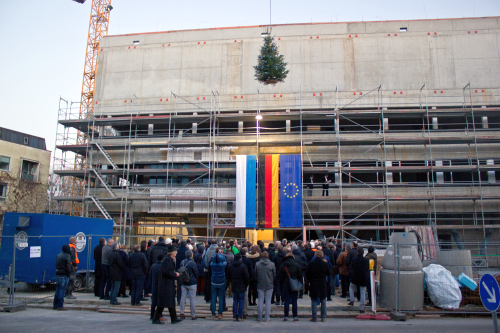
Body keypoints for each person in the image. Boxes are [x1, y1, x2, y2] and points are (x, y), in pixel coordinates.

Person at [153, 245, 182, 325]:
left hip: (167, 283)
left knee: (169, 302)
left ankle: (174, 318)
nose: (176, 252)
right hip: (166, 284)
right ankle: (156, 319)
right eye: (175, 251)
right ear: (172, 252)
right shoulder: (167, 260)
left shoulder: (168, 259)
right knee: (164, 302)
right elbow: (165, 272)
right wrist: (175, 274)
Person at [307, 250, 330, 322]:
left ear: (315, 255)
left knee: (313, 300)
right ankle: (323, 316)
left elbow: (307, 274)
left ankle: (314, 316)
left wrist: (310, 280)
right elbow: (329, 273)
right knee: (323, 300)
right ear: (322, 256)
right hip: (322, 283)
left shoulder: (310, 264)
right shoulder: (325, 264)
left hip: (313, 283)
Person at [279, 252, 302, 322]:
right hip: (294, 284)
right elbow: (300, 275)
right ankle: (295, 316)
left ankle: (286, 316)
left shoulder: (283, 265)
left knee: (286, 300)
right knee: (294, 301)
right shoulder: (296, 265)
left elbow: (280, 276)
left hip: (285, 284)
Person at [228, 253, 249, 321]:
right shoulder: (243, 266)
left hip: (234, 285)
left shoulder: (231, 266)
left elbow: (229, 276)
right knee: (241, 301)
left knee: (235, 301)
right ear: (240, 258)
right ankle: (240, 316)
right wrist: (246, 284)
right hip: (242, 285)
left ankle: (234, 315)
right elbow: (246, 276)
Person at [255, 251, 275, 322]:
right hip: (269, 284)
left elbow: (255, 274)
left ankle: (259, 317)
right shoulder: (272, 264)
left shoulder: (257, 264)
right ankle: (267, 317)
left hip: (260, 283)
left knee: (260, 300)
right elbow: (274, 274)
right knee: (268, 301)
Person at [179, 250, 199, 320]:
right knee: (192, 298)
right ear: (191, 255)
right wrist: (196, 279)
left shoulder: (182, 262)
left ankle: (182, 313)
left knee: (183, 297)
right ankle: (193, 315)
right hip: (192, 282)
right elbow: (196, 272)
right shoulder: (193, 263)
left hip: (184, 282)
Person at [208, 248, 227, 320]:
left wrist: (216, 255)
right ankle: (220, 313)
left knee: (213, 297)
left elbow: (211, 262)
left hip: (213, 281)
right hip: (221, 281)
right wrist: (221, 255)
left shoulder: (212, 264)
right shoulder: (222, 264)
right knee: (221, 297)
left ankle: (213, 313)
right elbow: (225, 261)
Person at [349, 247, 369, 313]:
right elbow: (367, 269)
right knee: (362, 292)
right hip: (363, 277)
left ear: (357, 252)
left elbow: (351, 267)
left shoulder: (354, 259)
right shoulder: (366, 260)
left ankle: (352, 300)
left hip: (355, 276)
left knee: (351, 287)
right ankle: (361, 307)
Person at [53, 245, 72, 311]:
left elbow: (56, 264)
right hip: (63, 274)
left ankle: (55, 304)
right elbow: (68, 266)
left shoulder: (59, 255)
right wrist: (68, 274)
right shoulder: (67, 256)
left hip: (58, 273)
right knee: (62, 290)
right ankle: (60, 305)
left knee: (57, 290)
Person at [150, 253, 165, 320]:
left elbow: (150, 275)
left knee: (154, 301)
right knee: (160, 301)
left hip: (154, 284)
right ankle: (159, 314)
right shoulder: (163, 266)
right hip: (161, 285)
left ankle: (152, 314)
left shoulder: (153, 266)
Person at [240, 247, 252, 319]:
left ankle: (238, 311)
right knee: (245, 296)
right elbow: (250, 271)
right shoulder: (248, 261)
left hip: (237, 281)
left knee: (237, 298)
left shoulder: (237, 261)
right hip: (245, 281)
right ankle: (244, 311)